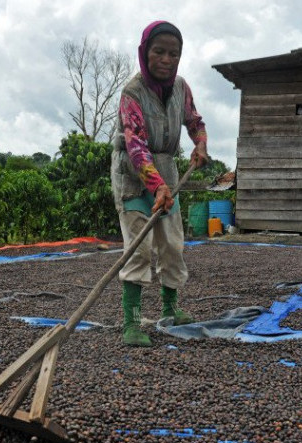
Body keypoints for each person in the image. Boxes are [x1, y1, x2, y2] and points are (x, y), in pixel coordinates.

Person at [111, 20, 209, 347]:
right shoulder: (132, 92)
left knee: (172, 244)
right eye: (159, 52)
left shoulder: (181, 88)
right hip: (133, 174)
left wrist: (200, 144)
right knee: (139, 248)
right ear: (145, 52)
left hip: (166, 168)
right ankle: (132, 323)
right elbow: (136, 144)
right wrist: (156, 186)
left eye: (174, 53)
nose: (166, 59)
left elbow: (195, 122)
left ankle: (171, 308)